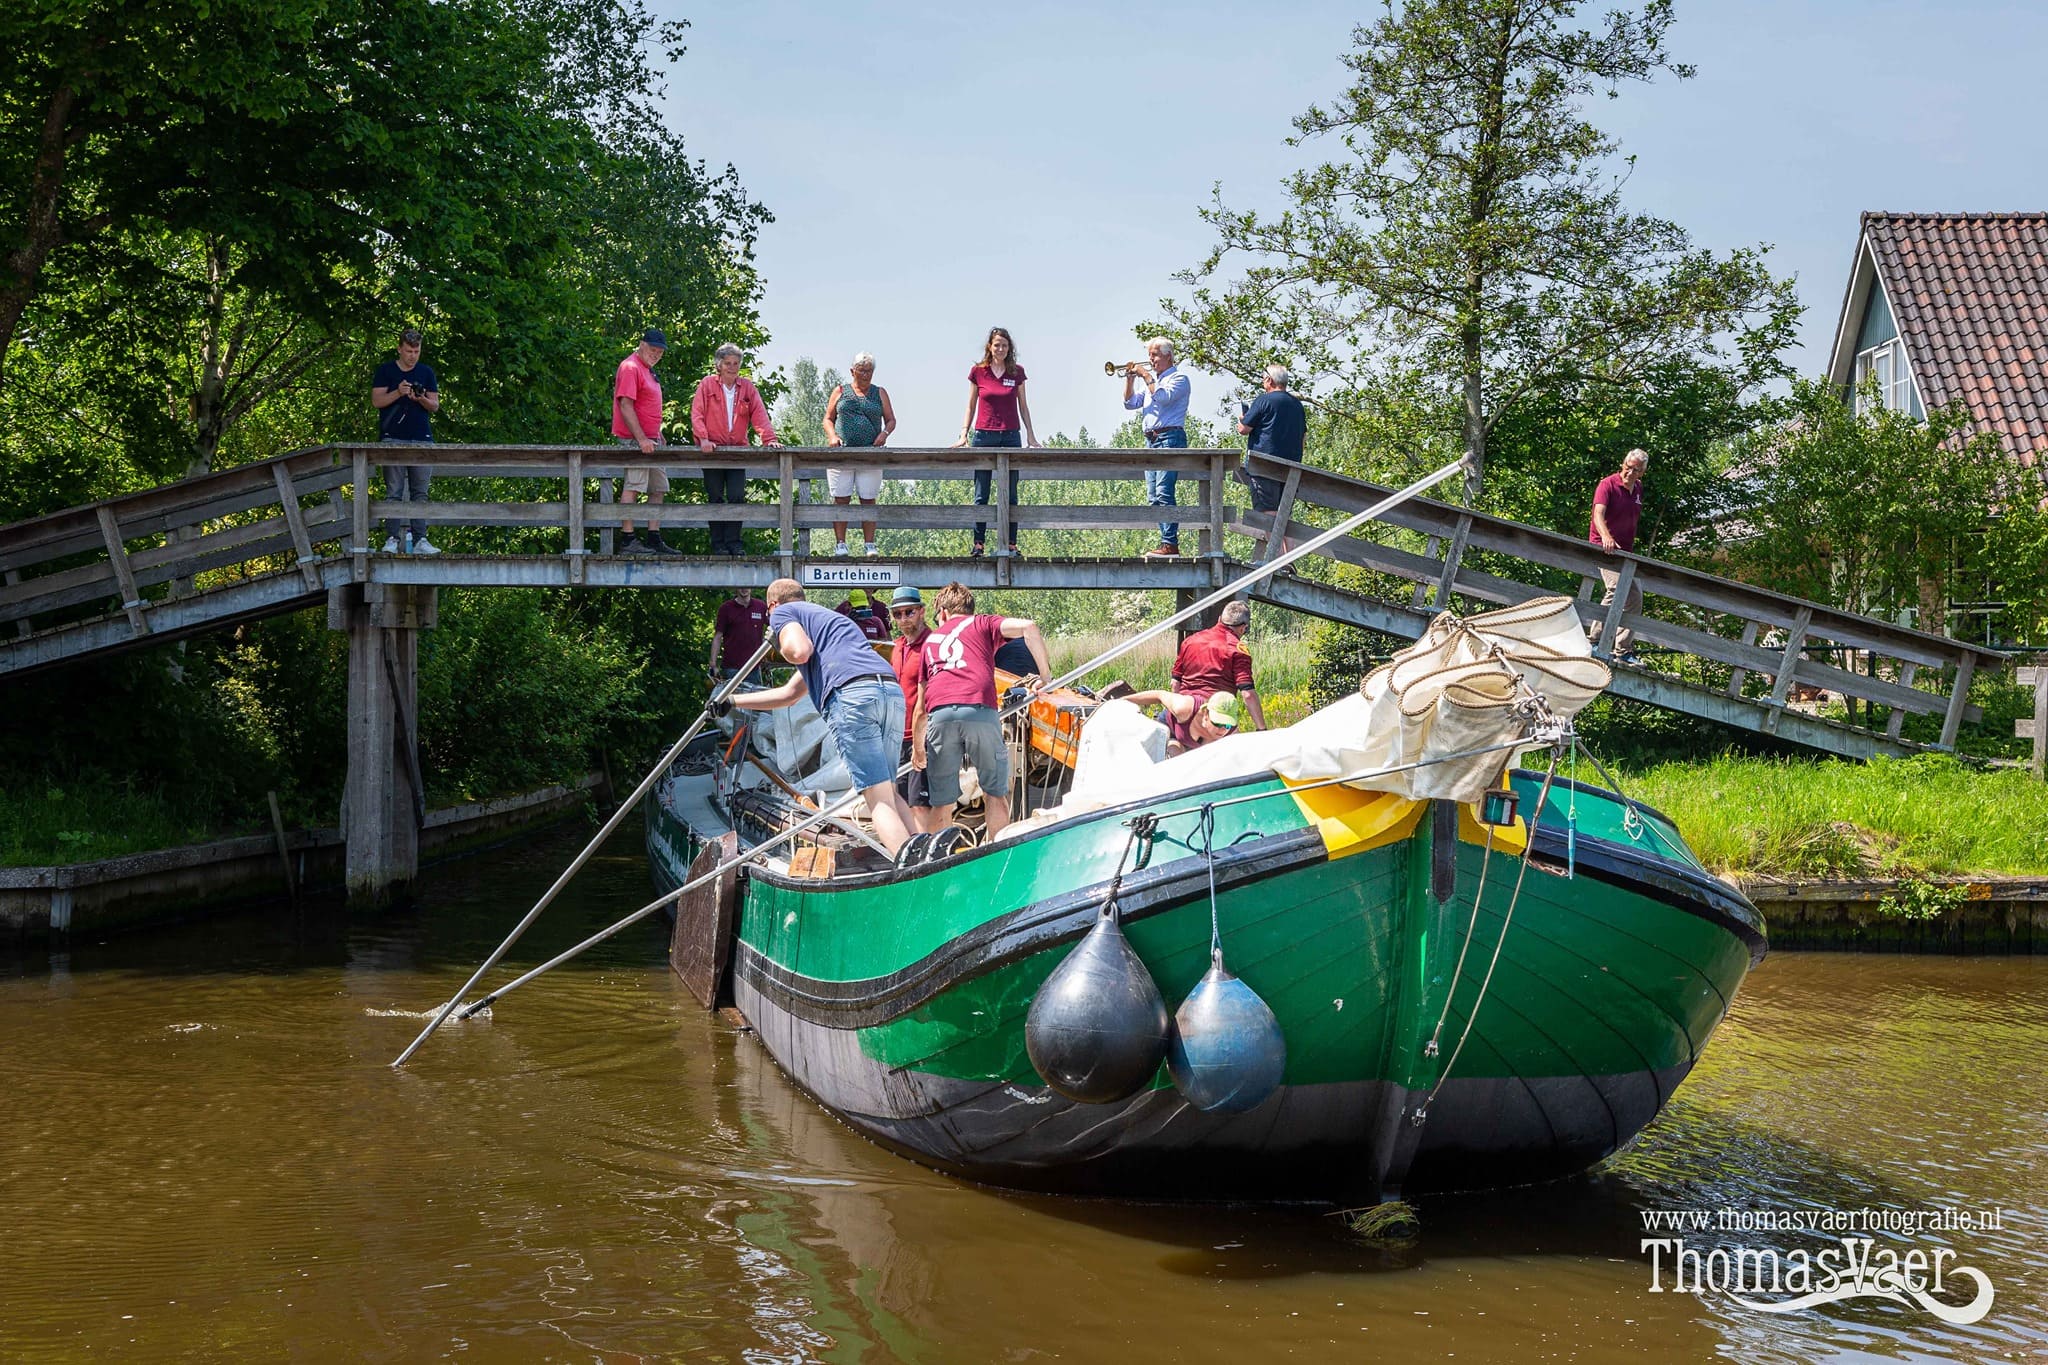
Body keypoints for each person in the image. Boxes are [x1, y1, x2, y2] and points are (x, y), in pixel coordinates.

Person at [725, 579, 916, 855]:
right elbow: (789, 694)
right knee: (889, 791)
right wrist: (733, 701)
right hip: (888, 691)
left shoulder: (782, 613)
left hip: (853, 697)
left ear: (771, 605)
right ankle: (921, 849)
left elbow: (799, 650)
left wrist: (780, 637)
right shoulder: (831, 623)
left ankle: (914, 871)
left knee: (877, 799)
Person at [914, 581, 1049, 837]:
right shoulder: (982, 623)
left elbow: (921, 708)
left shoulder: (930, 641)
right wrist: (1046, 677)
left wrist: (919, 749)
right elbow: (1028, 627)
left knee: (941, 802)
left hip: (940, 714)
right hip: (979, 709)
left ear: (942, 612)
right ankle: (997, 857)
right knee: (995, 794)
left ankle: (938, 860)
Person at [948, 327, 1039, 557]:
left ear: (1010, 349)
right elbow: (971, 405)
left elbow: (1023, 406)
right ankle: (979, 543)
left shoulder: (1016, 372)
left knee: (1011, 494)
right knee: (982, 493)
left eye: (1005, 345)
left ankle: (1011, 544)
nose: (1001, 349)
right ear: (990, 346)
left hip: (1010, 435)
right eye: (997, 344)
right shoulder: (979, 372)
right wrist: (963, 434)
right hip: (983, 436)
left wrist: (1030, 435)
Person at [691, 343, 779, 557]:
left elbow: (759, 415)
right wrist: (703, 438)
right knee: (715, 496)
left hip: (737, 451)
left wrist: (770, 439)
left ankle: (734, 542)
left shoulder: (747, 387)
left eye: (736, 364)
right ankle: (718, 544)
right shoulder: (707, 385)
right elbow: (697, 413)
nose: (732, 367)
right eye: (728, 363)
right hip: (712, 451)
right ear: (719, 366)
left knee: (737, 495)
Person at [371, 327, 442, 554]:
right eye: (409, 351)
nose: (413, 355)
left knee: (420, 491)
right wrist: (399, 392)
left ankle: (421, 539)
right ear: (400, 349)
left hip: (422, 437)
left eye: (417, 351)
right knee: (394, 490)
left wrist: (420, 398)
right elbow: (377, 401)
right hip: (393, 438)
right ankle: (391, 538)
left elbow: (434, 405)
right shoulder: (386, 371)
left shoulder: (426, 372)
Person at [1123, 336, 1190, 558]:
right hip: (1150, 440)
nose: (1150, 360)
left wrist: (1146, 376)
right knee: (1153, 495)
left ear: (1168, 356)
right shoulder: (1151, 382)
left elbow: (1162, 398)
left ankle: (1171, 544)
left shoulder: (1179, 379)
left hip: (1170, 438)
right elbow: (1129, 403)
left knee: (1164, 491)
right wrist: (1130, 379)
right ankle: (1166, 542)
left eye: (1155, 355)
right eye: (1150, 355)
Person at [824, 352, 896, 557]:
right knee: (841, 497)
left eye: (869, 371)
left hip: (870, 453)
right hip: (842, 452)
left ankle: (869, 544)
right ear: (852, 371)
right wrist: (832, 436)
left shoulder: (879, 392)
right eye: (862, 370)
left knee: (868, 497)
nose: (866, 375)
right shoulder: (840, 391)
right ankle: (840, 543)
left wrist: (884, 433)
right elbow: (828, 418)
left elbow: (891, 420)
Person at [612, 328, 676, 555]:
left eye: (660, 351)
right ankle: (628, 539)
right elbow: (625, 405)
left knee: (658, 488)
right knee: (634, 486)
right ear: (641, 344)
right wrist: (640, 439)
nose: (656, 354)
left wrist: (656, 433)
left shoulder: (648, 371)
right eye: (652, 349)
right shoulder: (630, 367)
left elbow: (645, 406)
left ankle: (653, 538)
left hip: (651, 440)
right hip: (634, 440)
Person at [1586, 448, 1648, 662]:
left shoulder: (1638, 489)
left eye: (1635, 470)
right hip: (1604, 548)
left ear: (1642, 472)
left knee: (1635, 595)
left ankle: (1623, 650)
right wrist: (1605, 537)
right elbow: (1598, 515)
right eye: (1627, 467)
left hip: (1625, 553)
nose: (1629, 472)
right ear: (1623, 464)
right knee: (1616, 588)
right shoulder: (1608, 484)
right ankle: (1593, 641)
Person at [886, 586, 939, 835]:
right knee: (901, 800)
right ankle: (911, 848)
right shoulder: (897, 647)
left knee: (920, 803)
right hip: (898, 734)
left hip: (922, 734)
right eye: (897, 614)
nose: (903, 619)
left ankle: (924, 852)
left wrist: (920, 743)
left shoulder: (931, 645)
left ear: (921, 611)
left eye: (909, 612)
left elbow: (926, 696)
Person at [1239, 364, 1308, 555]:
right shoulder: (1297, 405)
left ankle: (1275, 558)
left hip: (1264, 466)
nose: (1263, 382)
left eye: (1263, 378)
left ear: (1269, 380)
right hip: (1291, 468)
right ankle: (1289, 559)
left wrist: (1242, 419)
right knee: (1284, 513)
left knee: (1268, 512)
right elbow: (1303, 438)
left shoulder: (1264, 401)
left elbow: (1244, 429)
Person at [1173, 599, 1266, 730]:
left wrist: (1176, 714)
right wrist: (1261, 728)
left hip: (1182, 709)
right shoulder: (1237, 649)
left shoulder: (1190, 640)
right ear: (1243, 628)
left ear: (1219, 619)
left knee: (1174, 743)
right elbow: (1248, 694)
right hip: (1214, 714)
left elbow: (1175, 684)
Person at [1124, 688, 1242, 757]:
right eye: (1217, 723)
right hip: (1172, 731)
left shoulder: (1231, 734)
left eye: (1227, 724)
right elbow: (1159, 695)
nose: (1222, 730)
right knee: (1176, 760)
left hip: (1194, 747)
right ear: (1206, 713)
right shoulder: (1184, 707)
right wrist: (1123, 700)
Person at [710, 585, 771, 685]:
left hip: (754, 667)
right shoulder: (726, 608)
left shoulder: (761, 606)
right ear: (735, 587)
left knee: (755, 699)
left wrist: (767, 645)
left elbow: (776, 626)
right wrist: (713, 664)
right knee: (732, 699)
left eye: (747, 585)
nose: (744, 589)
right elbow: (718, 636)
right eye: (741, 586)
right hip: (732, 668)